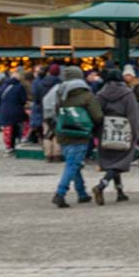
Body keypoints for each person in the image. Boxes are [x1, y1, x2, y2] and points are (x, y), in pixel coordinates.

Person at [44, 64, 103, 207]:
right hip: (80, 133)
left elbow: (48, 110)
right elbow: (98, 116)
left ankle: (82, 193)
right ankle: (60, 193)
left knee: (74, 163)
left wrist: (56, 126)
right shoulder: (86, 94)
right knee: (72, 164)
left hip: (63, 132)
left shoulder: (57, 92)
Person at [92, 67, 139, 204]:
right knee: (121, 161)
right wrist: (135, 133)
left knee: (112, 160)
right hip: (123, 130)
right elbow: (133, 115)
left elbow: (96, 112)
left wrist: (96, 131)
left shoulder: (101, 94)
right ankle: (102, 184)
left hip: (105, 130)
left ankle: (120, 191)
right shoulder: (127, 94)